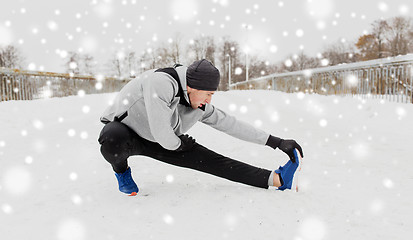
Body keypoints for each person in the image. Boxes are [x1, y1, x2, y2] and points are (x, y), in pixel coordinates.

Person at [98, 59, 304, 195]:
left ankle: (276, 179)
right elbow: (162, 133)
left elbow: (230, 124)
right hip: (127, 132)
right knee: (112, 140)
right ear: (191, 87)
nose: (209, 99)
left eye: (212, 94)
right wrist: (178, 145)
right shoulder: (160, 82)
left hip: (165, 139)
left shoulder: (199, 103)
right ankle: (121, 171)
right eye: (207, 94)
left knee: (213, 161)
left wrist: (275, 142)